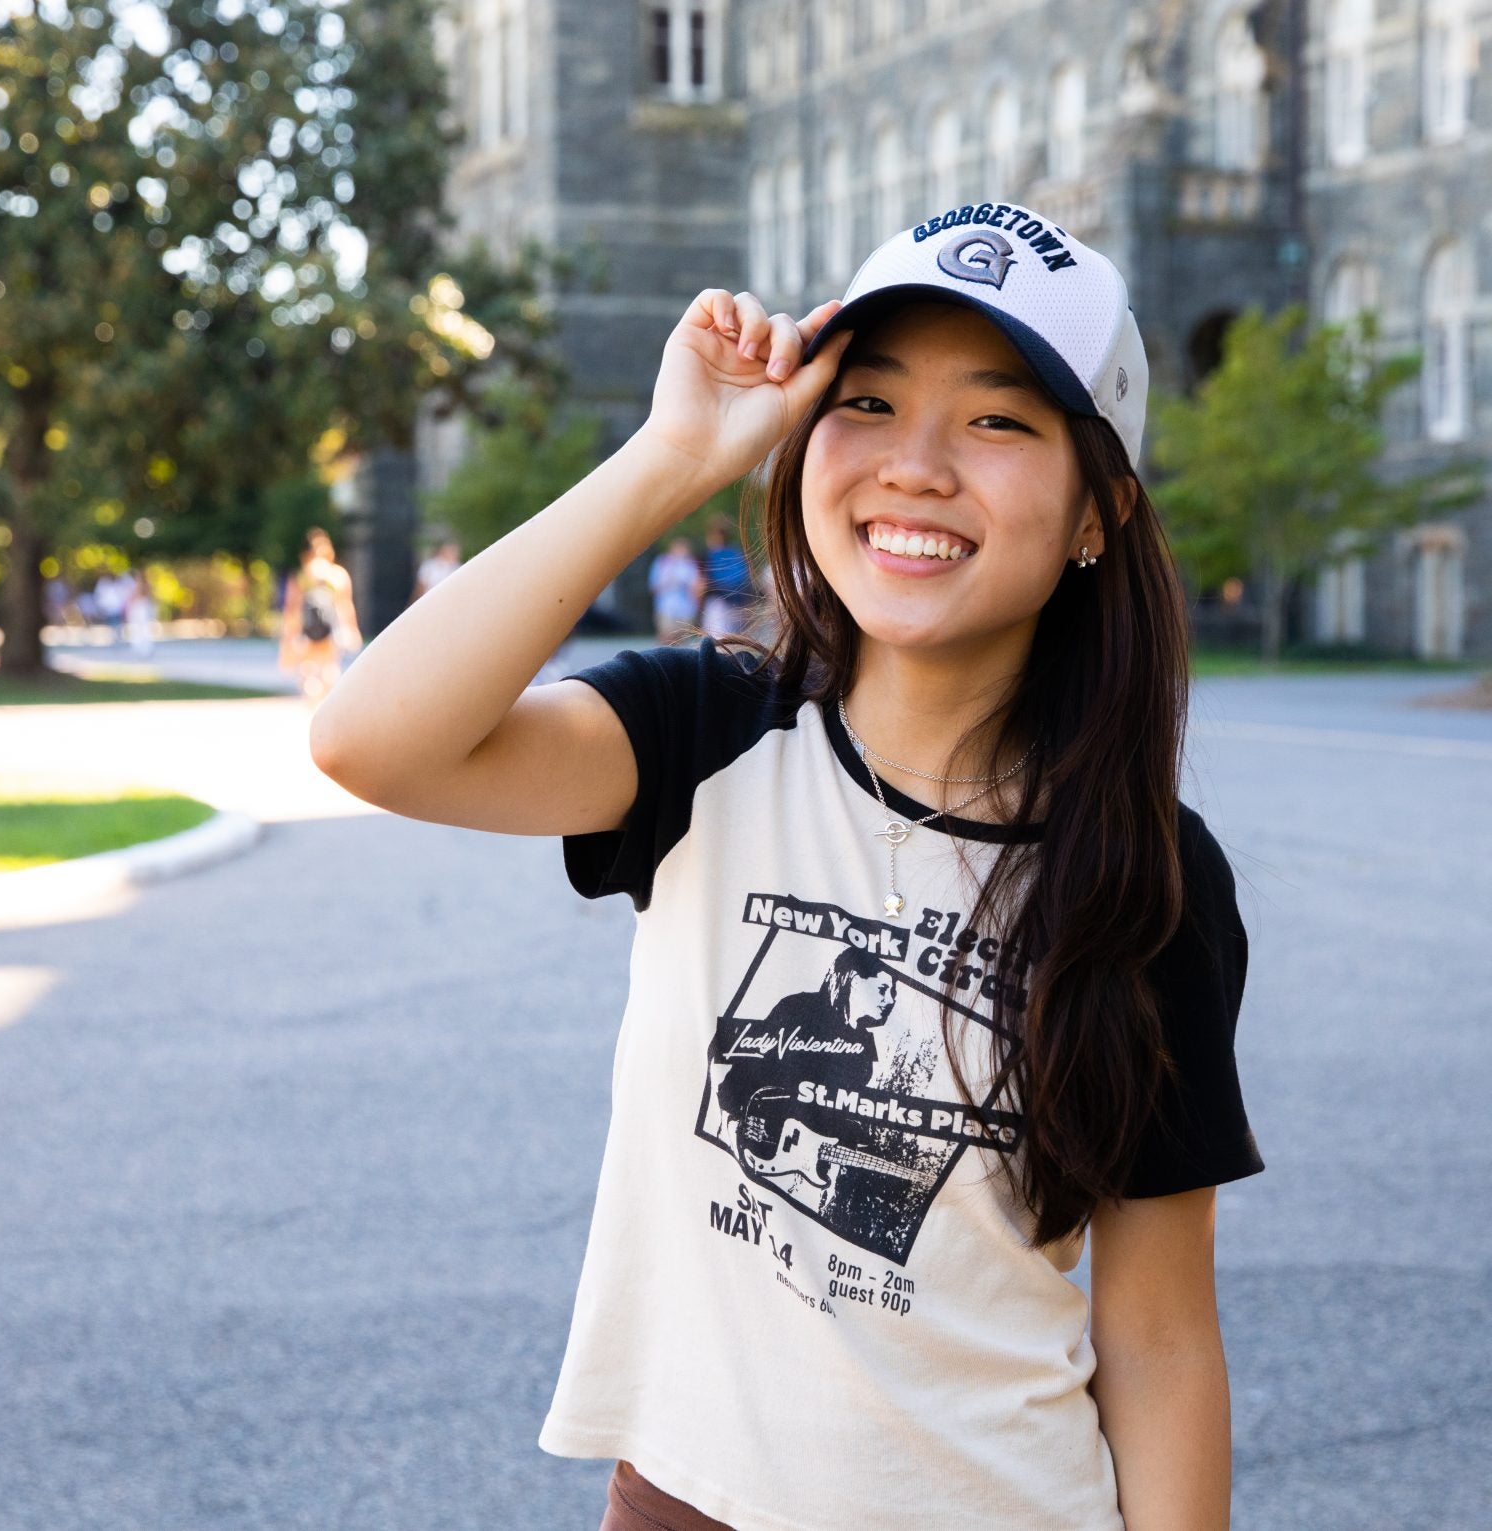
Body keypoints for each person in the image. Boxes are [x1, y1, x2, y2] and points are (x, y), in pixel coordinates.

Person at [310, 207, 1265, 1531]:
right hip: (682, 1497)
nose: (917, 465)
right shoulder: (706, 733)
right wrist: (670, 458)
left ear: (1099, 507)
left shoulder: (1147, 876)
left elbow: (1159, 1335)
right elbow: (372, 739)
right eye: (867, 402)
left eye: (998, 420)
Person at [278, 528, 361, 707]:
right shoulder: (337, 574)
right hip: (331, 626)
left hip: (307, 628)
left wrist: (289, 636)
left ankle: (312, 701)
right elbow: (345, 604)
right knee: (330, 666)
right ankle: (326, 703)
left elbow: (292, 607)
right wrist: (352, 628)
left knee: (308, 667)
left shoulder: (302, 575)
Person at [698, 515, 751, 640]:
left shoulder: (710, 556)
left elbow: (701, 584)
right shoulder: (737, 553)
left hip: (717, 604)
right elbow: (747, 580)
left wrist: (699, 605)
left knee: (716, 644)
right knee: (734, 644)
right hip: (737, 605)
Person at [648, 536, 704, 644]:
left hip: (686, 609)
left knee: (681, 640)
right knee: (666, 638)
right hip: (666, 607)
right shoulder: (662, 562)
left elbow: (696, 586)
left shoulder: (690, 564)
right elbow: (654, 586)